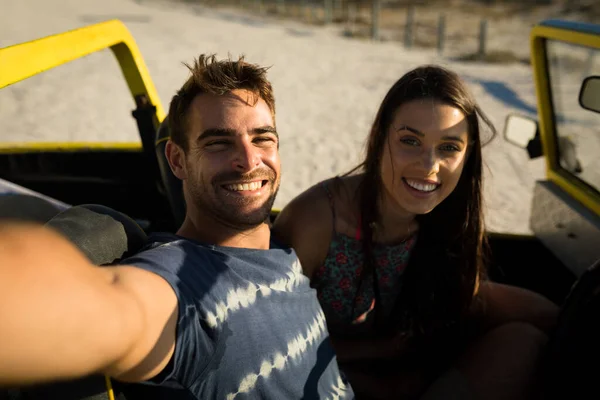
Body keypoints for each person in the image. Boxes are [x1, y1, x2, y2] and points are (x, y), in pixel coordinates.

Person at [0, 54, 354, 400]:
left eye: (262, 138)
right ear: (177, 160)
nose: (249, 161)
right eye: (218, 142)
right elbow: (103, 311)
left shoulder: (287, 245)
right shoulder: (177, 286)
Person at [272, 65, 559, 400]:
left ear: (468, 157)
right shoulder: (318, 219)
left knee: (527, 336)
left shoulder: (448, 219)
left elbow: (468, 298)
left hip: (407, 378)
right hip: (318, 381)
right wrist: (379, 366)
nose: (429, 165)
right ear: (380, 139)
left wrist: (558, 315)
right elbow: (269, 342)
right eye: (410, 141)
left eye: (449, 147)